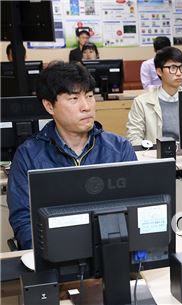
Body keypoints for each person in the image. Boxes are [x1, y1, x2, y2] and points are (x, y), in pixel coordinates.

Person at [7, 62, 137, 249]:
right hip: (55, 256)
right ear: (49, 106)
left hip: (112, 250)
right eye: (74, 99)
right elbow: (23, 221)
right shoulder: (28, 155)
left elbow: (135, 209)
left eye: (90, 96)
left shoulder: (120, 148)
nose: (86, 106)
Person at [127, 47, 182, 145]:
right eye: (173, 68)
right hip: (154, 155)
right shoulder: (141, 102)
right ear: (159, 71)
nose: (179, 73)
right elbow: (134, 138)